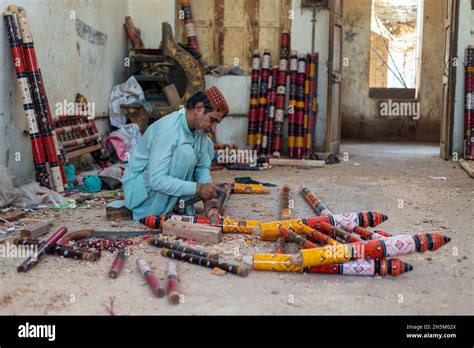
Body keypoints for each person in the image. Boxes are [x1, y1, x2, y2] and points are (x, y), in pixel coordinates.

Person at [122, 86, 229, 220]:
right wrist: (198, 188)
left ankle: (177, 205)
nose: (213, 128)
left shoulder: (199, 133)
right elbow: (156, 180)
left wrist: (208, 194)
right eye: (212, 120)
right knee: (185, 153)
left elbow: (202, 168)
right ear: (199, 108)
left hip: (158, 189)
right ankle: (161, 210)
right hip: (140, 194)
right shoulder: (168, 130)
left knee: (206, 144)